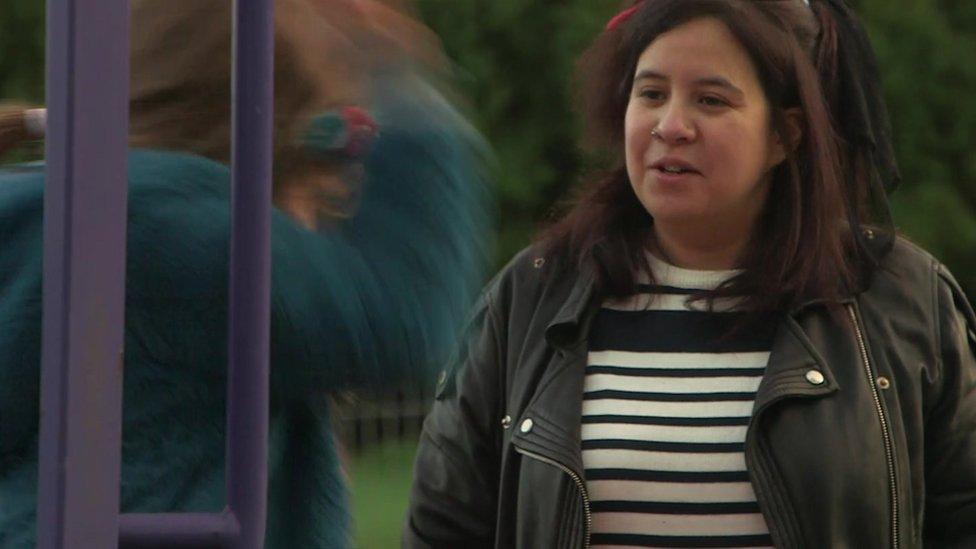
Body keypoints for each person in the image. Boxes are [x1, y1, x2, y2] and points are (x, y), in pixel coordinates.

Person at [403, 0, 976, 547]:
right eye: (650, 93)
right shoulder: (532, 295)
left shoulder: (898, 297)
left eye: (711, 100)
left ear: (785, 135)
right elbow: (442, 529)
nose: (670, 125)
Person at [0, 0, 490, 547]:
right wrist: (400, 79)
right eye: (332, 133)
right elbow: (404, 313)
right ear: (268, 117)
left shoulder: (51, 211)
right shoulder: (173, 229)